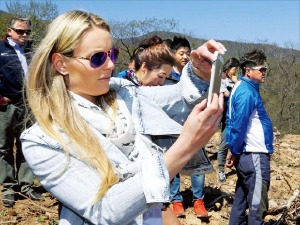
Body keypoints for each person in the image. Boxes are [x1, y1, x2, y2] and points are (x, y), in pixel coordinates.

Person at [20, 10, 225, 225]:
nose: (110, 65)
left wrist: (200, 72)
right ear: (61, 64)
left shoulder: (124, 92)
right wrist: (185, 147)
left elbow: (176, 96)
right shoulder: (43, 139)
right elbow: (105, 211)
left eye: (112, 54)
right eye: (97, 58)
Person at [116, 35, 180, 225]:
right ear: (144, 68)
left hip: (153, 176)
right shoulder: (120, 89)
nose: (161, 83)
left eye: (165, 79)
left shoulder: (148, 94)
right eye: (160, 77)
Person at [164, 36, 211, 219]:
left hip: (194, 126)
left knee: (197, 165)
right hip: (171, 127)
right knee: (174, 163)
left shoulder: (194, 78)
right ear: (173, 54)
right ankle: (176, 201)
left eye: (187, 53)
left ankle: (198, 201)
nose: (184, 56)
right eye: (180, 53)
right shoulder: (166, 77)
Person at [226, 50, 273, 225]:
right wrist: (235, 150)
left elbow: (233, 124)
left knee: (241, 202)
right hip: (255, 156)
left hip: (247, 156)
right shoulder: (247, 92)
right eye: (261, 69)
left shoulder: (241, 87)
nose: (264, 73)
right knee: (257, 209)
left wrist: (234, 150)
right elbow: (238, 125)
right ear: (248, 70)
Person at [0, 17, 43, 207]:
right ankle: (8, 187)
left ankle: (26, 185)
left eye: (27, 32)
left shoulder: (32, 51)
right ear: (10, 31)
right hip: (7, 105)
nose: (24, 35)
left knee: (27, 144)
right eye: (20, 31)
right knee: (4, 146)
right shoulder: (0, 50)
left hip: (29, 104)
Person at [217, 57, 240, 182]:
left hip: (237, 116)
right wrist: (236, 84)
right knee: (224, 144)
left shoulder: (236, 81)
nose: (235, 72)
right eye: (234, 69)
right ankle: (221, 170)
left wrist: (237, 82)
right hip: (227, 117)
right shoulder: (221, 80)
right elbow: (230, 96)